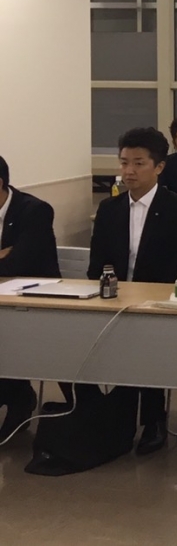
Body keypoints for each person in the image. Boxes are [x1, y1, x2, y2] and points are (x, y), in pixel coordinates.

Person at [88, 127, 177, 454]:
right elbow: (97, 265)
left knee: (143, 336)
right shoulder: (109, 209)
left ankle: (153, 419)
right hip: (115, 299)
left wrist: (144, 297)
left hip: (159, 303)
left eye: (138, 163)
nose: (129, 171)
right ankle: (111, 416)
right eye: (124, 163)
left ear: (159, 167)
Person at [0, 154, 60, 441]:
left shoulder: (35, 210)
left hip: (38, 303)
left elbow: (17, 265)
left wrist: (9, 257)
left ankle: (18, 398)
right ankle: (14, 394)